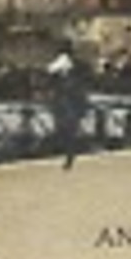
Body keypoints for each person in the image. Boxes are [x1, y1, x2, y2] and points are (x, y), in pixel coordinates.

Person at [46, 42, 86, 170]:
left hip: (66, 101)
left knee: (65, 128)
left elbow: (49, 70)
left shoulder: (64, 64)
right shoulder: (77, 66)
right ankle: (69, 155)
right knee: (69, 130)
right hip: (72, 101)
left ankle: (68, 155)